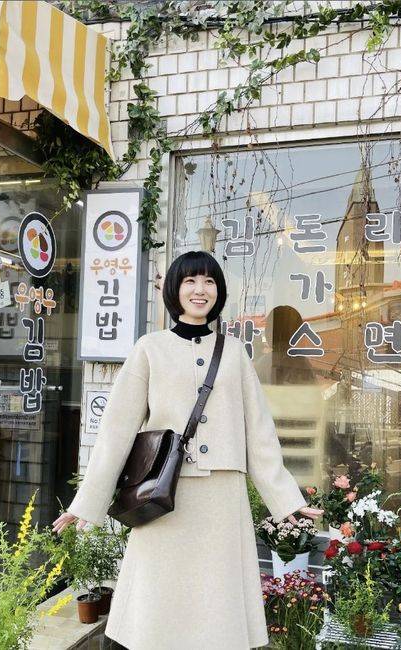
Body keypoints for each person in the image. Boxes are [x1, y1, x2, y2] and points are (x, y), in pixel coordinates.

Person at [52, 250, 323, 650]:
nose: (200, 290)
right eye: (190, 281)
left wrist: (286, 500)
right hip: (164, 496)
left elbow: (259, 434)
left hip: (222, 500)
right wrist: (86, 502)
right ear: (175, 290)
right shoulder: (149, 348)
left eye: (209, 281)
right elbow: (116, 431)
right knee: (159, 605)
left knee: (216, 607)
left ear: (219, 291)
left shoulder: (234, 352)